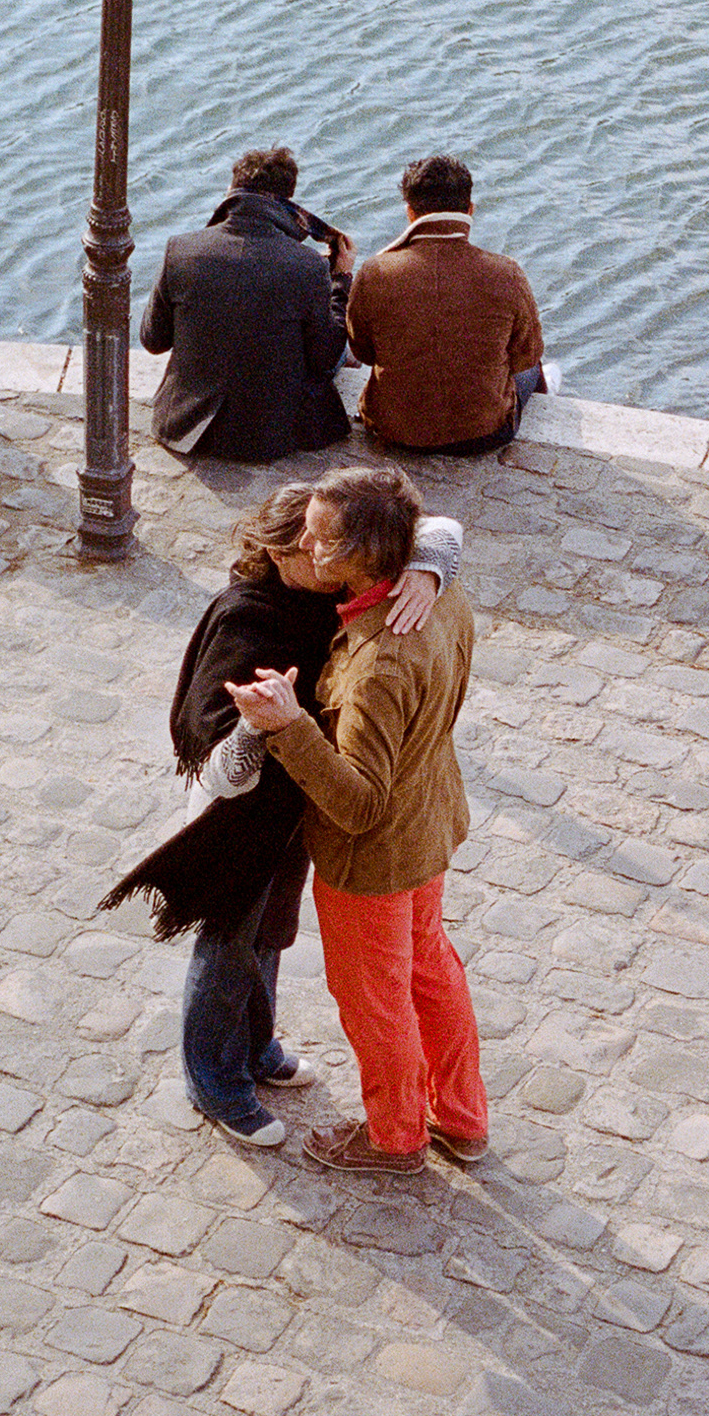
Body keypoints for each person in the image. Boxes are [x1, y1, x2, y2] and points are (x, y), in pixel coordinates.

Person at [100, 482, 463, 1148]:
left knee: (270, 931)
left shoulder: (328, 590)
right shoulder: (247, 619)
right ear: (274, 551)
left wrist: (431, 568)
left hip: (300, 804)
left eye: (322, 544)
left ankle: (258, 1046)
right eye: (301, 546)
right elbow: (215, 767)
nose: (311, 553)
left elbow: (435, 526)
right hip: (236, 817)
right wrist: (257, 725)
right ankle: (214, 1078)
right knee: (229, 940)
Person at [228, 465, 487, 1175]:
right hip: (429, 827)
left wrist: (290, 725)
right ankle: (462, 1119)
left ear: (358, 557)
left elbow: (360, 801)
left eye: (318, 541)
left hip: (370, 862)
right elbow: (437, 530)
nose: (304, 547)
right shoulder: (440, 589)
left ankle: (395, 1137)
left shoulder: (377, 664)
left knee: (375, 1000)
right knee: (431, 969)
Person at [139, 146, 354, 463]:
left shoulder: (181, 249)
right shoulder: (306, 265)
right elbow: (324, 358)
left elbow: (153, 341)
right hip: (268, 436)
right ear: (288, 201)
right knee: (338, 349)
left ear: (230, 191)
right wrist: (341, 280)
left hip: (185, 427)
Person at [345, 154, 557, 455]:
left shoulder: (374, 271)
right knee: (534, 366)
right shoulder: (507, 272)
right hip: (484, 433)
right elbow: (526, 355)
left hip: (394, 432)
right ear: (469, 209)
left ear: (410, 213)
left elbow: (363, 352)